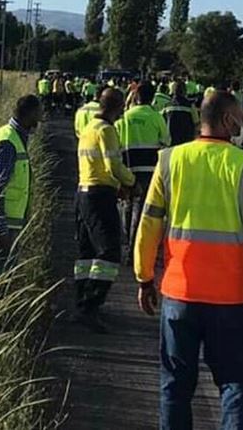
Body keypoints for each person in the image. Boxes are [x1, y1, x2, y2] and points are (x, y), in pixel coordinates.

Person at [134, 91, 243, 430]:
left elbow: (149, 222)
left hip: (180, 294)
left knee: (174, 385)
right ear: (228, 120)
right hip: (232, 297)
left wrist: (144, 277)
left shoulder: (170, 161)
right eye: (240, 117)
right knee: (236, 384)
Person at [74, 88, 140, 332]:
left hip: (83, 192)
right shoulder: (107, 130)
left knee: (87, 252)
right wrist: (131, 182)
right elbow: (114, 165)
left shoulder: (89, 128)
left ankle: (82, 303)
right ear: (118, 107)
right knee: (109, 251)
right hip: (100, 195)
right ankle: (91, 306)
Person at [0, 95, 43, 282]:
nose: (40, 119)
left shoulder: (13, 137)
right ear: (29, 114)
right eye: (38, 114)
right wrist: (1, 228)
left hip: (4, 221)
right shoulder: (8, 142)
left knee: (0, 274)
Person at [116, 82, 171, 262]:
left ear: (136, 96)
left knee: (127, 206)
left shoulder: (125, 117)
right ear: (152, 97)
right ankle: (135, 249)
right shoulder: (156, 117)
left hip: (127, 168)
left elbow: (117, 143)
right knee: (142, 210)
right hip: (149, 170)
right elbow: (166, 142)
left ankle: (128, 244)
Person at [163, 81, 200, 146]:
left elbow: (163, 123)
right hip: (187, 141)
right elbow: (196, 123)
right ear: (185, 91)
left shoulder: (167, 106)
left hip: (171, 142)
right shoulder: (190, 106)